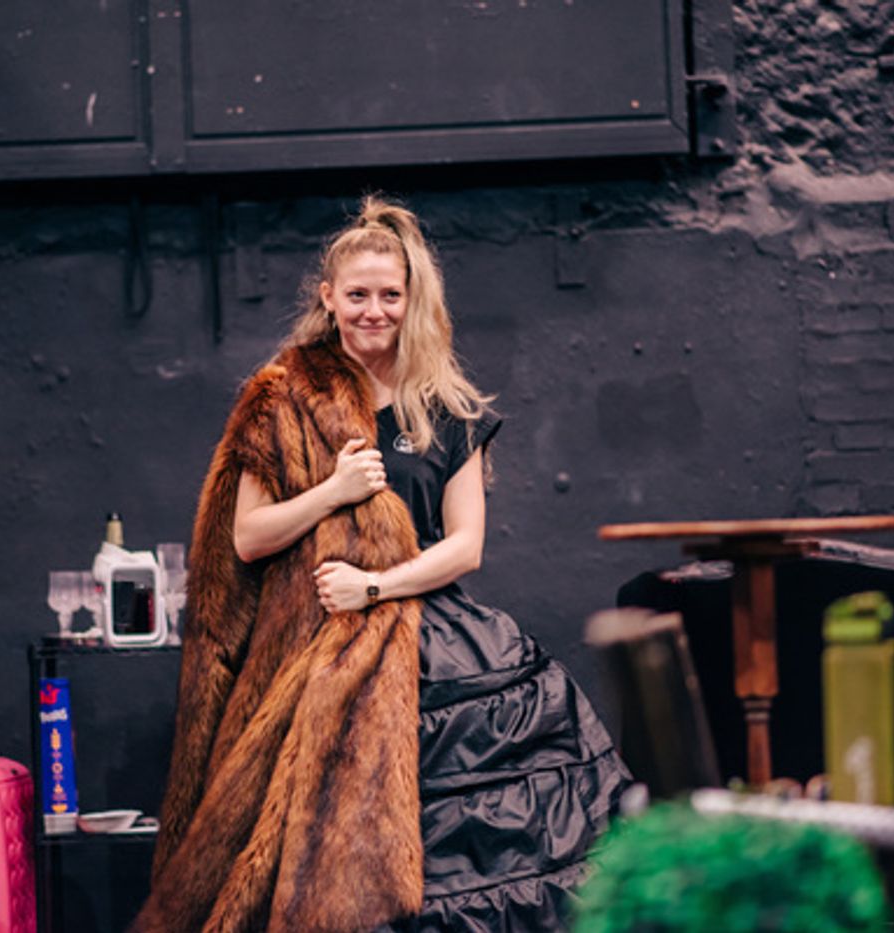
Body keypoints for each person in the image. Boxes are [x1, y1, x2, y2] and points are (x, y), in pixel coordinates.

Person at [133, 196, 629, 933]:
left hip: (440, 642)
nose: (374, 310)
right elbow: (249, 537)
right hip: (319, 640)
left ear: (412, 299)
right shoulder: (284, 399)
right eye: (358, 295)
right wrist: (332, 491)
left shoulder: (449, 409)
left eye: (389, 295)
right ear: (327, 298)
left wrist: (376, 585)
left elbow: (465, 547)